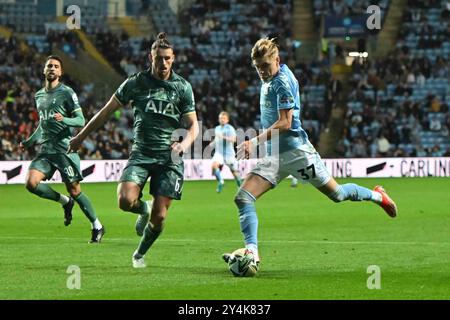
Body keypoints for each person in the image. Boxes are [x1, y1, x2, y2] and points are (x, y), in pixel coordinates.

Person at [223, 38, 397, 271]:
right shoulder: (270, 79)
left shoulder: (282, 82)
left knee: (338, 195)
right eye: (258, 67)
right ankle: (252, 253)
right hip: (274, 156)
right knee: (243, 197)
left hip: (297, 152)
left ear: (277, 60)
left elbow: (285, 122)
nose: (262, 72)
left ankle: (379, 196)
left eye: (265, 66)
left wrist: (253, 141)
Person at [69, 33, 199, 268]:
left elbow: (194, 126)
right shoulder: (135, 83)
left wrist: (184, 144)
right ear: (151, 56)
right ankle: (143, 207)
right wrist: (80, 137)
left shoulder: (182, 87)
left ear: (174, 58)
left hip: (169, 158)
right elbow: (106, 112)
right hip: (141, 154)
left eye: (168, 58)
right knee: (124, 200)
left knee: (160, 217)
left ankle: (139, 254)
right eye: (159, 58)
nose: (163, 63)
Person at [20, 55, 105, 243]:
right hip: (46, 150)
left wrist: (64, 119)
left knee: (75, 190)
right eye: (49, 66)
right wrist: (30, 141)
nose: (52, 68)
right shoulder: (39, 95)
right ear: (44, 70)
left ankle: (97, 225)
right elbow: (43, 124)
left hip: (64, 150)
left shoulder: (67, 92)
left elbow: (80, 120)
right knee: (30, 183)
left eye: (56, 66)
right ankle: (65, 202)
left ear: (60, 72)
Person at [209, 111, 242, 192]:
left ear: (227, 120)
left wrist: (223, 137)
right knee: (214, 165)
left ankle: (240, 187)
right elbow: (217, 139)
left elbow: (234, 140)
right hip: (219, 153)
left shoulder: (230, 128)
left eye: (223, 118)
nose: (222, 120)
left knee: (234, 171)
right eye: (220, 118)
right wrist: (211, 144)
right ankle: (221, 181)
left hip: (229, 154)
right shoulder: (217, 128)